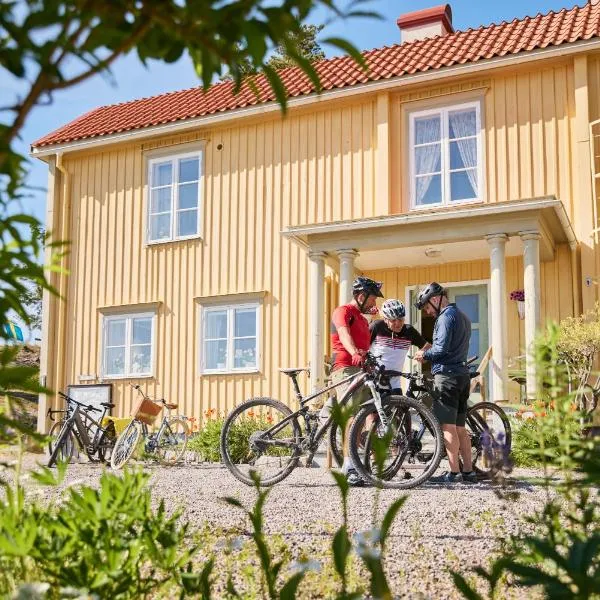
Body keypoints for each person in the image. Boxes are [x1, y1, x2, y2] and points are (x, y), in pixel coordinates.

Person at [413, 282, 477, 484]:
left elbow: (440, 350)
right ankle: (468, 472)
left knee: (447, 427)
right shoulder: (464, 317)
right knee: (460, 427)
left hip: (447, 377)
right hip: (462, 375)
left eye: (427, 308)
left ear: (435, 299)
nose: (429, 312)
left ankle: (453, 472)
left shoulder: (445, 318)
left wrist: (424, 354)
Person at [329, 275, 383, 486]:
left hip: (360, 368)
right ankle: (348, 467)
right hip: (345, 367)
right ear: (361, 296)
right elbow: (344, 335)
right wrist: (354, 353)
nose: (374, 304)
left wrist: (368, 360)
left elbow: (366, 345)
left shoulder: (362, 318)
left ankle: (358, 462)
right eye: (372, 299)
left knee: (364, 415)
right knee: (351, 417)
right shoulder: (343, 311)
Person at [369, 299, 431, 392]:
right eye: (393, 320)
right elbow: (361, 347)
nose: (398, 324)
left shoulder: (409, 331)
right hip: (373, 383)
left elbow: (428, 346)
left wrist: (423, 352)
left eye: (401, 319)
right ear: (385, 319)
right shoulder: (377, 326)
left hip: (395, 384)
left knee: (401, 406)